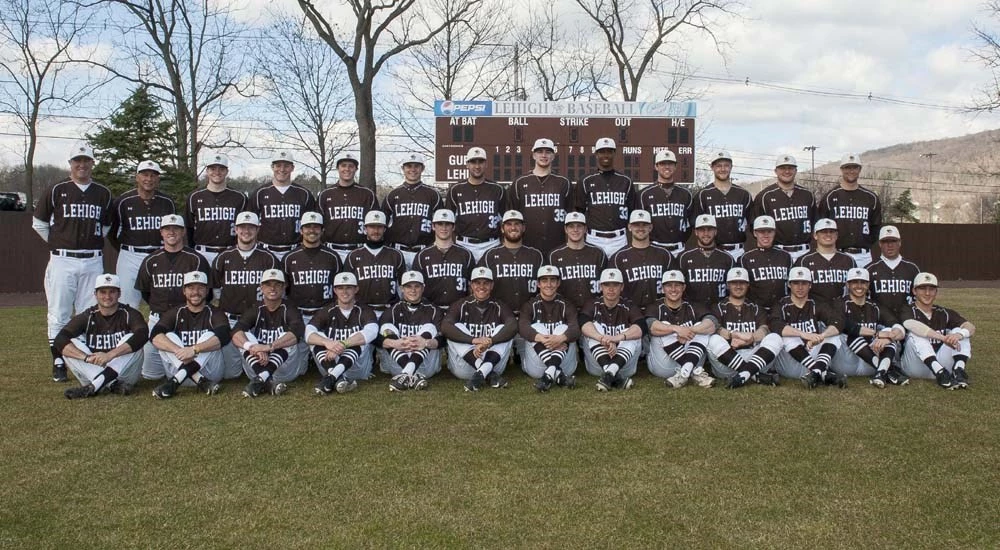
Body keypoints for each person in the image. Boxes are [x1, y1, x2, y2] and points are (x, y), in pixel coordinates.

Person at [32, 143, 113, 382]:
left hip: (92, 260)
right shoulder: (57, 189)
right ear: (70, 164)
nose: (82, 164)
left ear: (92, 163)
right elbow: (39, 223)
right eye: (77, 160)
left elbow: (106, 227)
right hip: (62, 260)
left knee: (89, 313)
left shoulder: (103, 193)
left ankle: (81, 358)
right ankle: (58, 360)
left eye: (86, 160)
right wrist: (59, 242)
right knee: (59, 313)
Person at [135, 214, 210, 381]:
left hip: (188, 320)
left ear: (183, 232)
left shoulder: (196, 259)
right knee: (151, 375)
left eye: (176, 229)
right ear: (161, 232)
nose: (171, 232)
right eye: (167, 229)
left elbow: (207, 293)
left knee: (186, 357)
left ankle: (189, 374)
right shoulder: (150, 260)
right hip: (158, 319)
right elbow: (145, 292)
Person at [210, 211, 280, 379]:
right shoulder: (223, 257)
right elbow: (216, 289)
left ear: (258, 230)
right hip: (231, 319)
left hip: (259, 321)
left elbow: (276, 291)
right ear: (236, 229)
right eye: (242, 227)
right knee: (231, 373)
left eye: (251, 227)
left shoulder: (268, 258)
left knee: (262, 362)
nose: (246, 231)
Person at [57, 274, 147, 399]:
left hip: (125, 374)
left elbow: (142, 334)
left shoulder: (129, 313)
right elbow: (60, 339)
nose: (107, 296)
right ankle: (112, 384)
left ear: (119, 293)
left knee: (132, 339)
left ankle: (94, 386)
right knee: (69, 344)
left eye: (112, 292)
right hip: (93, 370)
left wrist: (110, 355)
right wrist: (87, 358)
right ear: (95, 294)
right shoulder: (88, 315)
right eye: (103, 292)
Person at [150, 271, 232, 398]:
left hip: (210, 372)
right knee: (167, 338)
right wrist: (181, 352)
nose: (196, 292)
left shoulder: (214, 312)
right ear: (184, 291)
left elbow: (224, 335)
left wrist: (194, 350)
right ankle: (199, 380)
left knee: (209, 336)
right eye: (191, 288)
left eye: (200, 288)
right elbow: (154, 335)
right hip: (180, 368)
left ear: (207, 291)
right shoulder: (176, 312)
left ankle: (174, 382)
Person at [108, 159, 176, 308]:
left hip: (159, 254)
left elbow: (173, 232)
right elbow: (112, 233)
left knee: (163, 301)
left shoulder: (167, 202)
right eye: (145, 174)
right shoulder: (123, 201)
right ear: (137, 177)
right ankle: (131, 332)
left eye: (153, 175)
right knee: (127, 303)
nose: (149, 179)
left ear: (158, 179)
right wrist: (125, 250)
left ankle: (159, 331)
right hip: (130, 256)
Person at [282, 211, 342, 375]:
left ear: (322, 230)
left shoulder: (332, 256)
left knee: (329, 363)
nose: (312, 231)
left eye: (316, 227)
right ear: (301, 230)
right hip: (299, 316)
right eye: (308, 227)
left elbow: (339, 290)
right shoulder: (289, 257)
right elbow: (284, 292)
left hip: (324, 316)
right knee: (298, 370)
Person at [230, 269, 305, 398]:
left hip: (284, 369)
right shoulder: (256, 308)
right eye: (268, 284)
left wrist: (269, 347)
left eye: (277, 284)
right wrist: (252, 348)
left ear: (284, 287)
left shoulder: (290, 308)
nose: (273, 288)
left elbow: (297, 332)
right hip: (257, 363)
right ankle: (266, 380)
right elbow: (235, 332)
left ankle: (260, 379)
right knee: (244, 337)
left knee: (288, 338)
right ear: (261, 288)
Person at [441, 267, 518, 392]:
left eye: (486, 283)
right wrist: (474, 340)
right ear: (471, 285)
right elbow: (445, 327)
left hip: (493, 361)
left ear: (492, 285)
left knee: (503, 329)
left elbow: (513, 325)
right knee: (456, 328)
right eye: (477, 283)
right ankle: (488, 373)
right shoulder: (460, 304)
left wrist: (490, 341)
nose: (481, 287)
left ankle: (481, 373)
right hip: (464, 367)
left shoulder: (499, 305)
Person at [705, 268, 783, 389]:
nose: (738, 286)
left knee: (775, 337)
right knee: (713, 339)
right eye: (734, 283)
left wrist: (751, 338)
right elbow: (716, 328)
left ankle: (744, 375)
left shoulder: (755, 307)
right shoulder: (718, 307)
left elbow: (764, 329)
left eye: (742, 283)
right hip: (727, 362)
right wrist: (732, 335)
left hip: (756, 359)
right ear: (727, 285)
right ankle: (755, 376)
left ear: (748, 285)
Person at [769, 267, 845, 389]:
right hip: (791, 362)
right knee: (787, 336)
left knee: (834, 335)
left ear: (810, 285)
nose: (800, 287)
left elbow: (838, 322)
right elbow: (775, 325)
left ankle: (815, 373)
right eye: (796, 283)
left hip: (813, 353)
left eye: (804, 283)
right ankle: (822, 372)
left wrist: (821, 336)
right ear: (789, 285)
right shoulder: (781, 304)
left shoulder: (816, 303)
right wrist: (803, 334)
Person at [899, 272, 976, 390]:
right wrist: (943, 338)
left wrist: (959, 335)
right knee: (916, 334)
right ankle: (938, 371)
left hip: (942, 364)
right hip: (914, 366)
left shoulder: (943, 312)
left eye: (931, 289)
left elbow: (970, 326)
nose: (927, 293)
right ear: (914, 291)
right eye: (922, 289)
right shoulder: (907, 309)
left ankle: (959, 370)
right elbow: (910, 324)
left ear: (936, 292)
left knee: (959, 331)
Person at [831, 267, 905, 388]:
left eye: (863, 282)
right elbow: (845, 326)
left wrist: (890, 336)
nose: (859, 286)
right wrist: (876, 334)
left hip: (870, 361)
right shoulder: (839, 303)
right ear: (848, 284)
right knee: (851, 335)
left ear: (868, 285)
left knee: (889, 331)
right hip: (846, 361)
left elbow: (895, 323)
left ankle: (881, 373)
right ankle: (888, 370)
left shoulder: (875, 306)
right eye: (855, 282)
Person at [307, 272, 379, 395]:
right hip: (331, 362)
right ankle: (337, 377)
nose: (344, 292)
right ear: (335, 290)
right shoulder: (327, 310)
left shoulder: (364, 310)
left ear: (356, 289)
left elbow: (372, 331)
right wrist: (327, 342)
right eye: (340, 288)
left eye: (348, 288)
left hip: (357, 368)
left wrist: (342, 344)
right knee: (316, 339)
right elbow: (308, 333)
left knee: (359, 339)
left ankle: (331, 376)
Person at [645, 270, 717, 388]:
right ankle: (693, 371)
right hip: (664, 365)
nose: (673, 289)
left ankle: (684, 372)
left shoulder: (693, 306)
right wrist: (676, 329)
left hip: (691, 355)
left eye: (677, 285)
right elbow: (652, 327)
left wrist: (691, 330)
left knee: (702, 326)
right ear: (662, 288)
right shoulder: (655, 307)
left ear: (684, 287)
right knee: (664, 325)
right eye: (669, 285)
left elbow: (712, 324)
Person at [579, 268, 644, 391]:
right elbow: (582, 323)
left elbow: (641, 327)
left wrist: (616, 338)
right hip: (597, 364)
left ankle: (609, 373)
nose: (611, 289)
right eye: (607, 285)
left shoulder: (629, 306)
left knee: (631, 332)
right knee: (593, 328)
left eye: (615, 285)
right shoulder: (592, 304)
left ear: (622, 287)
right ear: (601, 287)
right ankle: (612, 374)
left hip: (625, 364)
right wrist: (603, 339)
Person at [378, 271, 444, 392]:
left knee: (430, 327)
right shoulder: (393, 310)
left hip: (425, 364)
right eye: (408, 286)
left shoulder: (434, 310)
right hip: (398, 361)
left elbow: (443, 339)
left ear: (423, 288)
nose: (413, 290)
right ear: (402, 288)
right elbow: (377, 340)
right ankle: (413, 375)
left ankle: (406, 373)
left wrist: (425, 343)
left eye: (417, 286)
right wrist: (395, 343)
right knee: (386, 327)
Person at [519, 265, 581, 392]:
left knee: (563, 328)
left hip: (565, 364)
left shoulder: (566, 305)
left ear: (558, 283)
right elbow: (523, 327)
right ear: (538, 284)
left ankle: (548, 375)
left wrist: (560, 339)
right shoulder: (530, 305)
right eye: (544, 280)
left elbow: (576, 329)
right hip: (536, 367)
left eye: (552, 280)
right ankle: (558, 374)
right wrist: (542, 338)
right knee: (536, 327)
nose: (549, 284)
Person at [508, 138, 573, 258]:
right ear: (533, 155)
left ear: (553, 156)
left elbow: (572, 215)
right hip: (527, 245)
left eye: (548, 152)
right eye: (540, 152)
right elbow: (512, 216)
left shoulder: (563, 182)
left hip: (557, 245)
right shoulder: (520, 182)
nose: (544, 155)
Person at [477, 210, 545, 325]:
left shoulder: (536, 255)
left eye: (517, 224)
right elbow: (477, 286)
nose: (513, 228)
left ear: (523, 228)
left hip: (532, 316)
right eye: (509, 224)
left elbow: (547, 287)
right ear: (502, 228)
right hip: (498, 317)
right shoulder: (490, 256)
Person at [573, 137, 636, 257]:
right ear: (596, 154)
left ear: (614, 153)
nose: (605, 155)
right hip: (593, 238)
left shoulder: (625, 181)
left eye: (609, 151)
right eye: (602, 151)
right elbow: (579, 211)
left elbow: (632, 211)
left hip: (620, 239)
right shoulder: (585, 181)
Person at [249, 151, 317, 261]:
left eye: (286, 166)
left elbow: (312, 224)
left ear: (292, 168)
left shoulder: (304, 194)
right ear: (272, 167)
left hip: (296, 250)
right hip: (266, 251)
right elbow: (250, 224)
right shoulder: (260, 193)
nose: (282, 169)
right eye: (278, 165)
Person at [818, 153, 882, 267]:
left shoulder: (871, 198)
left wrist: (866, 242)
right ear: (841, 169)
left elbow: (876, 227)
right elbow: (821, 226)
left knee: (864, 285)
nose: (851, 171)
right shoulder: (830, 197)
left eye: (854, 167)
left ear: (860, 169)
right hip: (838, 253)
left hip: (864, 256)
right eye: (847, 167)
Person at [184, 153, 248, 266]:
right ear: (207, 171)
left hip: (231, 252)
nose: (217, 172)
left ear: (227, 171)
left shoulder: (240, 197)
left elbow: (246, 226)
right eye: (213, 169)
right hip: (202, 253)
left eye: (221, 169)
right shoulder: (194, 197)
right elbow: (188, 228)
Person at [382, 153, 443, 268]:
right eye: (409, 166)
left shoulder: (433, 195)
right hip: (398, 251)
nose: (413, 169)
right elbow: (382, 224)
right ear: (403, 169)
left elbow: (442, 223)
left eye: (416, 166)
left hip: (424, 250)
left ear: (422, 168)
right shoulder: (393, 195)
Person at [751, 154, 815, 263]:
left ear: (795, 170)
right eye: (782, 168)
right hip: (777, 252)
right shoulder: (765, 196)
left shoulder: (807, 195)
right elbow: (754, 228)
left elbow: (815, 224)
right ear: (775, 171)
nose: (787, 171)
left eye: (790, 168)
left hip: (805, 251)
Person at [609, 209, 677, 311]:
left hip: (660, 310)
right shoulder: (618, 257)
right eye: (636, 225)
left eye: (644, 225)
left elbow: (675, 285)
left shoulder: (664, 255)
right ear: (629, 227)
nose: (641, 228)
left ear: (650, 227)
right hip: (629, 311)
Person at [446, 146, 506, 262]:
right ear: (467, 164)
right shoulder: (456, 190)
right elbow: (448, 222)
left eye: (481, 162)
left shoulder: (498, 189)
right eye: (473, 162)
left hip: (492, 244)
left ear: (486, 164)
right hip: (464, 244)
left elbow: (505, 221)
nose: (477, 166)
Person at [316, 152, 378, 262]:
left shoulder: (367, 194)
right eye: (343, 165)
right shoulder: (325, 195)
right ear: (337, 168)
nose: (347, 169)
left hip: (360, 249)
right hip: (331, 250)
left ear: (356, 169)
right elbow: (317, 224)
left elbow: (376, 223)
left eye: (351, 166)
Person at [692, 151, 752, 261]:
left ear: (731, 167)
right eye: (718, 166)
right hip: (714, 251)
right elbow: (696, 227)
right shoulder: (703, 195)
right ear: (712, 167)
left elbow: (751, 225)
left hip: (739, 251)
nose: (723, 169)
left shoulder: (743, 194)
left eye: (726, 165)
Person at [344, 211, 406, 316]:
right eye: (372, 227)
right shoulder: (353, 256)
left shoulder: (396, 255)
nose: (376, 231)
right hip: (362, 311)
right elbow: (347, 288)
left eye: (379, 227)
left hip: (389, 310)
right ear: (365, 229)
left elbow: (403, 287)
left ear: (385, 229)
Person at [412, 209, 475, 311]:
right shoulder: (422, 255)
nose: (444, 228)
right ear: (433, 226)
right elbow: (415, 287)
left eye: (448, 224)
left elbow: (472, 286)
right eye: (440, 224)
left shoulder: (465, 254)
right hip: (430, 309)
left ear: (453, 227)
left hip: (460, 309)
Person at [547, 212, 607, 312]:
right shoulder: (554, 255)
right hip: (563, 310)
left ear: (585, 229)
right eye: (571, 226)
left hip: (594, 310)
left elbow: (606, 284)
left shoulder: (598, 253)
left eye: (579, 226)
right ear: (566, 229)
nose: (575, 230)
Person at [637, 150, 693, 257]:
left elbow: (689, 225)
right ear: (656, 166)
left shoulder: (686, 194)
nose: (667, 167)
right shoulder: (644, 195)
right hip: (654, 249)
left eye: (670, 164)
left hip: (679, 250)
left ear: (675, 166)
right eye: (662, 164)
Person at [793, 218, 856, 306]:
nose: (828, 234)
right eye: (823, 232)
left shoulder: (848, 260)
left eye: (831, 231)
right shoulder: (804, 261)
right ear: (815, 235)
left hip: (842, 309)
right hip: (813, 310)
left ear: (837, 235)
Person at [676, 214, 734, 308]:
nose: (706, 233)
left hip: (720, 309)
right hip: (692, 309)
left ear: (715, 231)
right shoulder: (684, 257)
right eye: (702, 230)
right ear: (696, 232)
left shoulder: (727, 258)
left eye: (709, 229)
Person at [865, 225, 920, 320]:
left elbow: (919, 297)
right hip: (879, 321)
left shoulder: (912, 268)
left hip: (908, 320)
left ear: (899, 243)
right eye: (885, 241)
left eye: (893, 241)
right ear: (880, 244)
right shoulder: (870, 269)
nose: (890, 245)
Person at [739, 215, 792, 312]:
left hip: (782, 309)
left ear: (774, 232)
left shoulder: (785, 256)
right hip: (756, 310)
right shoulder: (745, 258)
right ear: (755, 233)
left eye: (769, 231)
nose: (766, 235)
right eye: (761, 231)